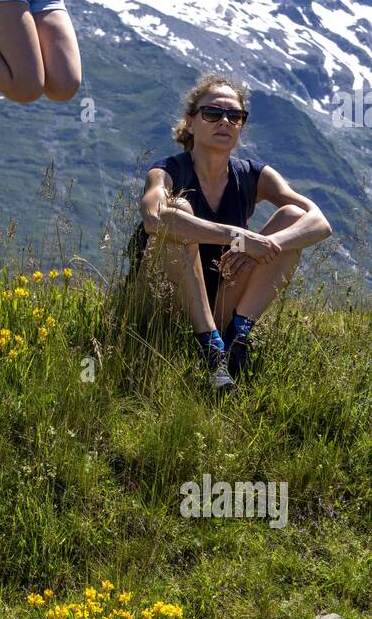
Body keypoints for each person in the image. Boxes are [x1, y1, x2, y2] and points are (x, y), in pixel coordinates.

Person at [129, 73, 332, 390]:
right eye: (212, 113)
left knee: (293, 217)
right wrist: (238, 238)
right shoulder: (168, 170)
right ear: (191, 123)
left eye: (235, 116)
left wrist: (263, 244)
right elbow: (155, 218)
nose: (225, 121)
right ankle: (209, 347)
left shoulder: (252, 174)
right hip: (163, 302)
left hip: (222, 297)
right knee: (178, 212)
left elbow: (319, 222)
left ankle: (236, 338)